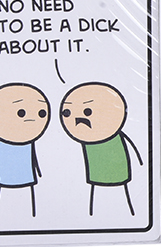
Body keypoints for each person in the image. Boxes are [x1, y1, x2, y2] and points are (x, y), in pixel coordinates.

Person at [60, 82, 142, 216]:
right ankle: (92, 213)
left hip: (119, 166)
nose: (78, 118)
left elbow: (133, 148)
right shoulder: (88, 138)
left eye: (88, 111)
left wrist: (140, 160)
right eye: (67, 113)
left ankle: (129, 210)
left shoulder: (111, 134)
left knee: (122, 191)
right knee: (95, 192)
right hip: (96, 169)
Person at [0, 82, 51, 218]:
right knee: (3, 195)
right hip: (4, 173)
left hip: (26, 172)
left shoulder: (27, 138)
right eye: (21, 113)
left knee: (29, 196)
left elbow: (32, 156)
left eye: (41, 113)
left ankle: (33, 216)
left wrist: (37, 169)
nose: (31, 119)